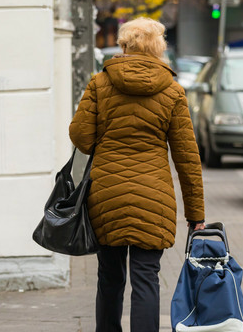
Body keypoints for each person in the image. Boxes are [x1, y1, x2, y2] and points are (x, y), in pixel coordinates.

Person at [69, 17, 206, 332]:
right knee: (146, 278)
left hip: (106, 195)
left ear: (123, 45)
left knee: (110, 277)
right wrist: (195, 213)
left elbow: (82, 139)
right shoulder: (172, 91)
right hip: (153, 197)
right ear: (159, 49)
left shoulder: (100, 84)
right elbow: (187, 158)